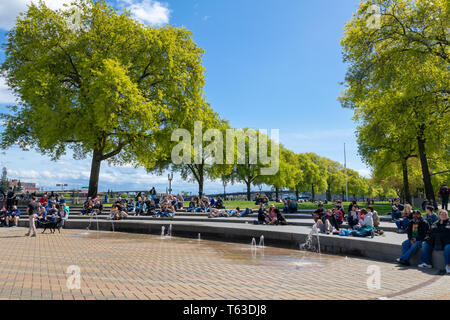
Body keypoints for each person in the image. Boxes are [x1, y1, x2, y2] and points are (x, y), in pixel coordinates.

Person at [418, 210, 450, 274]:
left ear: (447, 215)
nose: (443, 215)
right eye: (442, 214)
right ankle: (427, 263)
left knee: (448, 247)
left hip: (447, 243)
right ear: (439, 215)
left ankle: (448, 266)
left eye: (445, 214)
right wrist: (427, 239)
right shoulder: (435, 223)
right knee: (424, 244)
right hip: (435, 243)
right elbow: (429, 233)